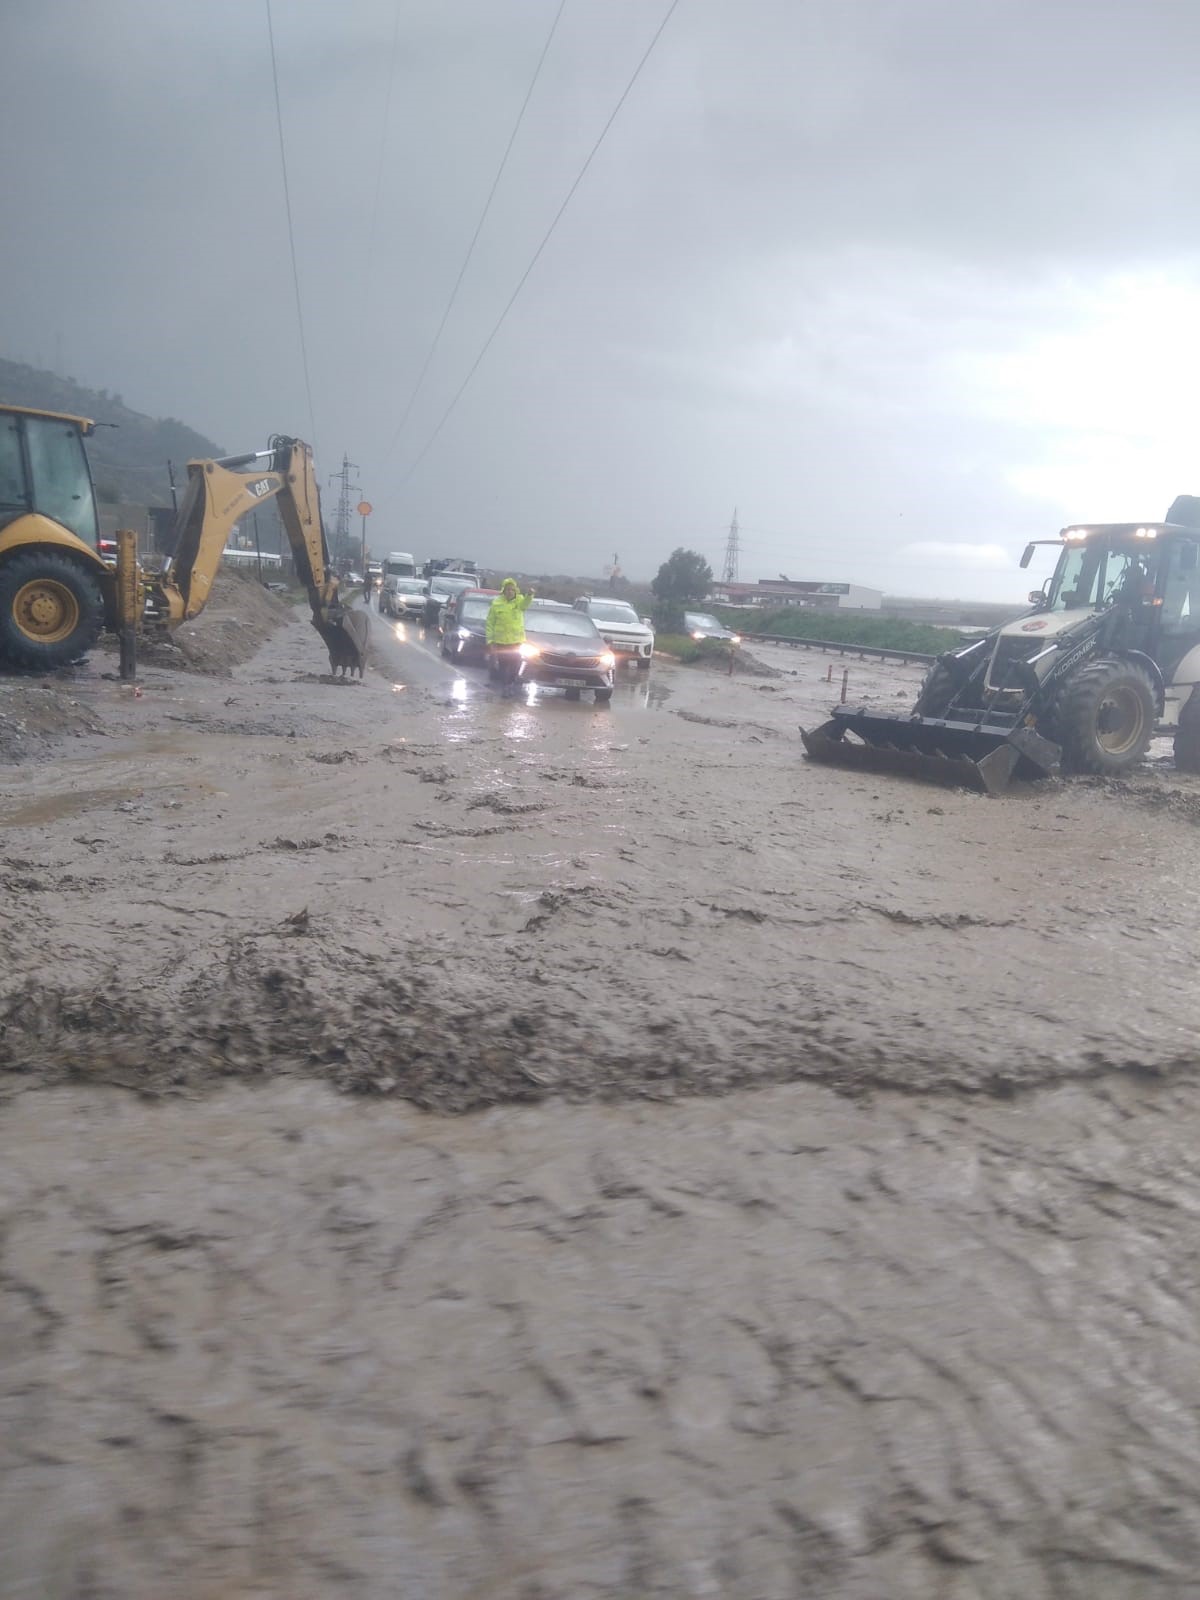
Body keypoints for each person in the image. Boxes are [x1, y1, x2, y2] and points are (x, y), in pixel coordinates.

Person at [486, 577, 535, 697]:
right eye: (508, 590)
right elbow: (490, 623)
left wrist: (529, 595)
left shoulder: (519, 601)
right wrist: (490, 641)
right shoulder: (496, 603)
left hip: (516, 641)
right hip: (501, 641)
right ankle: (506, 687)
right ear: (503, 591)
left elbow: (525, 605)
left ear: (516, 591)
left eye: (512, 590)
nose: (510, 592)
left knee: (515, 665)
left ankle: (511, 683)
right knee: (503, 666)